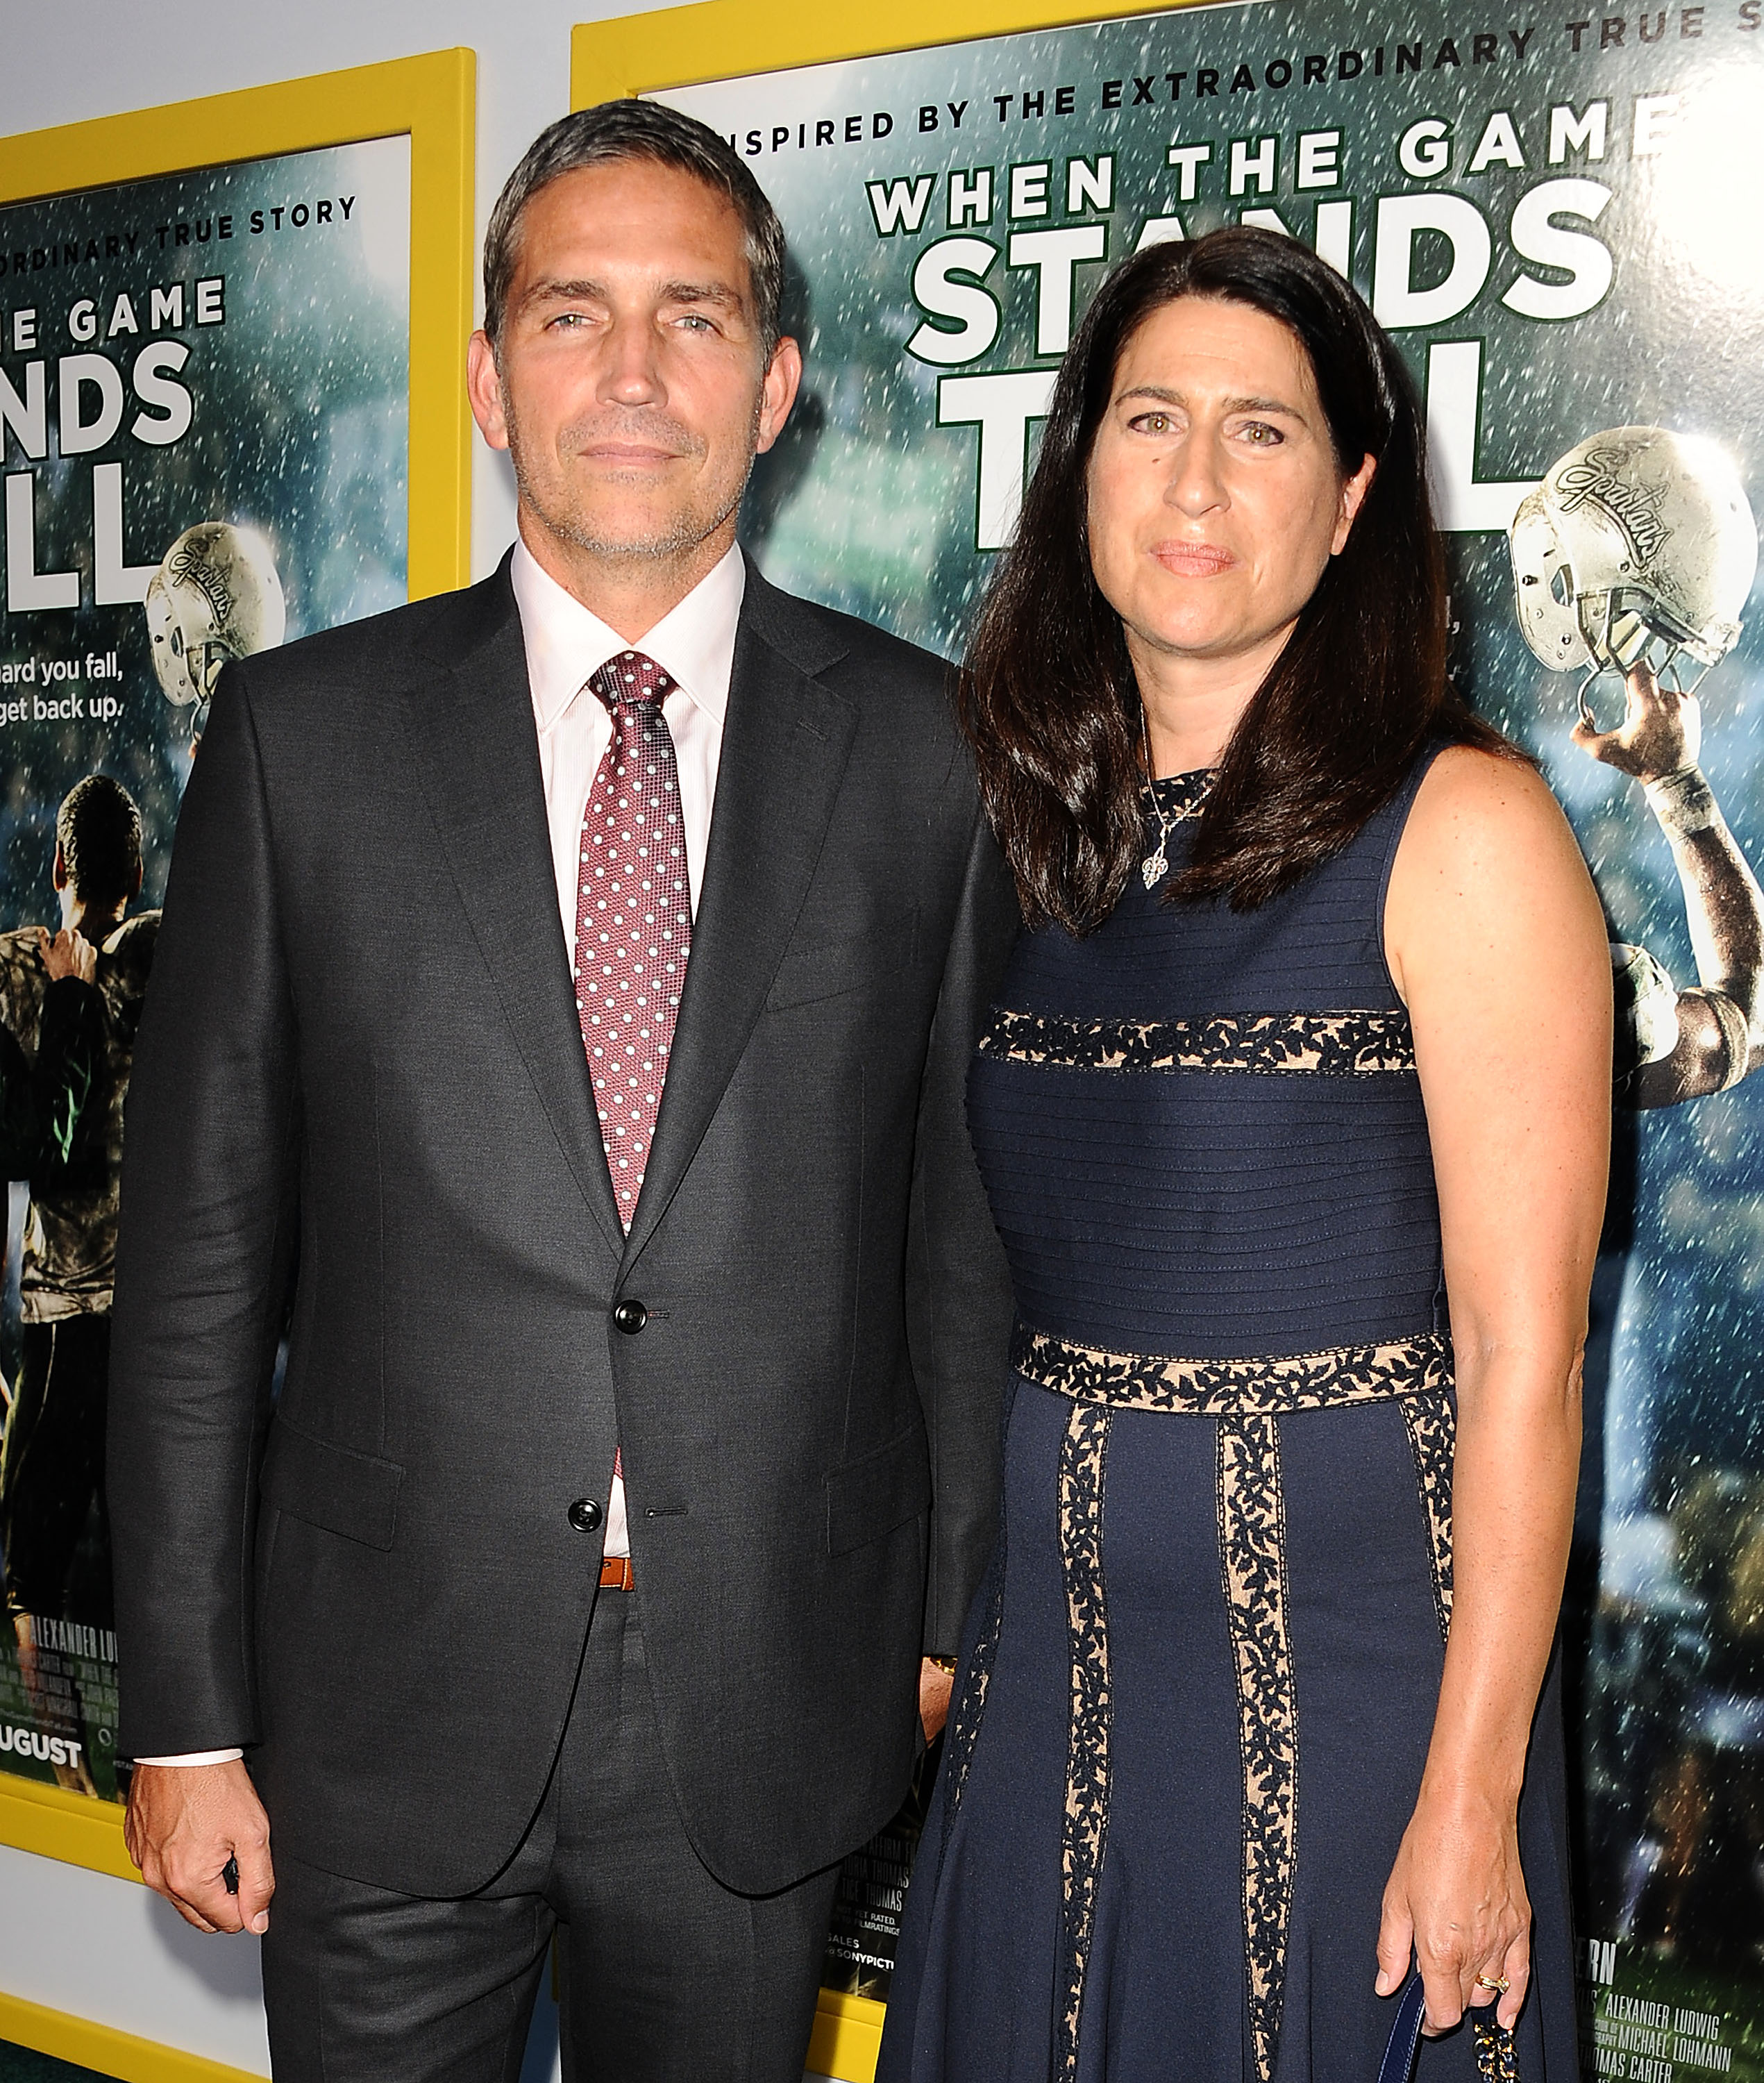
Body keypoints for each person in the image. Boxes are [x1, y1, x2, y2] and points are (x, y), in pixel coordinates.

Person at [107, 101, 1016, 2083]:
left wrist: (945, 1615)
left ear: (773, 385)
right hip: (374, 1692)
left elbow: (956, 1235)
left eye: (690, 319)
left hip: (765, 1687)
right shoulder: (298, 742)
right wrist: (183, 1719)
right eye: (569, 314)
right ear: (486, 381)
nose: (628, 375)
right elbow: (192, 1275)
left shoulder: (931, 757)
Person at [876, 227, 1612, 2083]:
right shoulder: (1009, 826)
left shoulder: (1465, 830)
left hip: (1362, 1689)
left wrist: (1468, 1794)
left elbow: (1523, 1361)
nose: (1194, 483)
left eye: (1262, 432)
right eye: (1147, 419)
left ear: (1357, 495)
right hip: (1050, 1678)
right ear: (1077, 468)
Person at [0, 774, 156, 1793]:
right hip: (160, 1327)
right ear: (135, 871)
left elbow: (35, 1150)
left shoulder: (17, 968)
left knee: (29, 1581)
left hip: (63, 1323)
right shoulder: (168, 954)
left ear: (58, 868)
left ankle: (72, 1784)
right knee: (163, 1576)